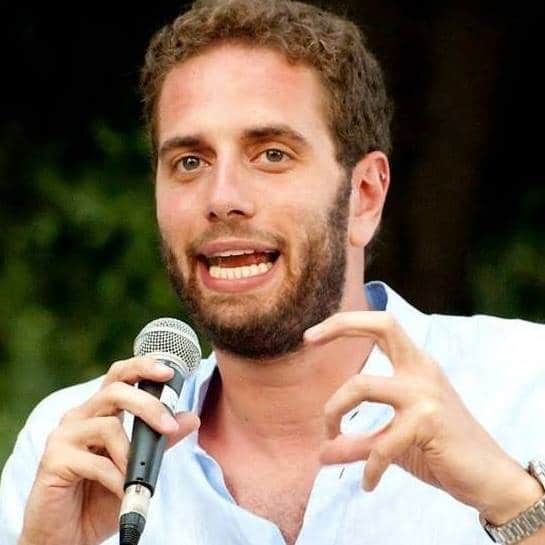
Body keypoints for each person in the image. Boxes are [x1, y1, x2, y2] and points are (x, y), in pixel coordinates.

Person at [1, 1, 544, 544]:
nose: (222, 198)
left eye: (272, 155)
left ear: (364, 196)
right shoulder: (76, 452)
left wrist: (516, 505)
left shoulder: (526, 388)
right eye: (190, 161)